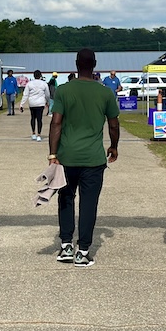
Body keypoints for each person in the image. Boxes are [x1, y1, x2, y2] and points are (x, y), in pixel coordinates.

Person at [48, 48, 119, 267]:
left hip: (67, 156)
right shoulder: (106, 92)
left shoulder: (64, 90)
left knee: (66, 198)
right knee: (89, 204)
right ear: (94, 64)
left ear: (76, 64)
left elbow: (56, 123)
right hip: (93, 158)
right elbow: (114, 123)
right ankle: (83, 250)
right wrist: (114, 146)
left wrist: (52, 153)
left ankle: (66, 245)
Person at [19, 70, 50, 142]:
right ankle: (39, 135)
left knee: (33, 118)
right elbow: (47, 94)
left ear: (34, 76)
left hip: (32, 103)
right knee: (39, 119)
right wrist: (47, 102)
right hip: (40, 103)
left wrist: (22, 104)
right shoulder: (44, 83)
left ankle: (33, 133)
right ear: (40, 76)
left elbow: (25, 94)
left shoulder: (29, 84)